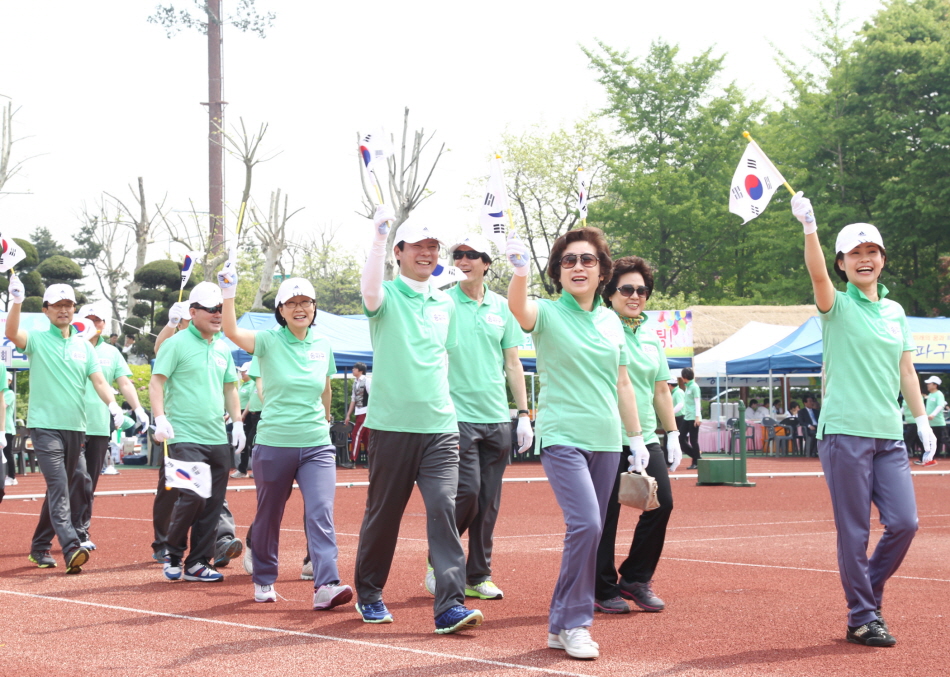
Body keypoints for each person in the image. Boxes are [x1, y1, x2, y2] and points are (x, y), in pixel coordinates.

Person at [791, 192, 936, 647]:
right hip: (844, 432)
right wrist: (809, 227)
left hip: (889, 434)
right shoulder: (836, 306)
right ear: (841, 264)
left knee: (906, 523)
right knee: (853, 531)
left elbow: (906, 369)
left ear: (883, 258)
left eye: (871, 251)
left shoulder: (895, 312)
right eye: (855, 253)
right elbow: (815, 273)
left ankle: (865, 599)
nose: (864, 259)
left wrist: (921, 421)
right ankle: (863, 615)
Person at [506, 227, 647, 660]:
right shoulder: (546, 313)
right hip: (563, 436)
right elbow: (518, 308)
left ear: (603, 270)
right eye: (569, 261)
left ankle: (559, 623)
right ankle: (575, 622)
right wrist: (520, 271)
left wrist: (637, 438)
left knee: (591, 530)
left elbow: (623, 383)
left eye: (587, 260)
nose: (578, 267)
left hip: (606, 440)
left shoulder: (611, 320)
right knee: (586, 524)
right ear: (558, 271)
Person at [352, 206, 483, 635]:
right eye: (419, 246)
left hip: (441, 428)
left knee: (445, 509)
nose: (427, 253)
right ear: (400, 252)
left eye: (433, 247)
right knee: (384, 514)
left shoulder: (444, 302)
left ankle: (450, 604)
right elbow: (369, 291)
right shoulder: (386, 295)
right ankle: (369, 593)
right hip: (392, 427)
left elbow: (443, 359)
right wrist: (376, 238)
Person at [218, 266, 353, 609]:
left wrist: (325, 420)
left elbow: (325, 387)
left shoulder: (323, 344)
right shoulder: (267, 341)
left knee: (320, 512)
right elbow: (231, 330)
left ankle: (326, 584)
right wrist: (229, 292)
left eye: (306, 301)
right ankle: (264, 577)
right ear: (279, 310)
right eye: (291, 303)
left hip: (316, 445)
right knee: (269, 514)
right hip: (275, 444)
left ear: (314, 307)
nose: (300, 308)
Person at [426, 234, 533, 602]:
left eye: (472, 255)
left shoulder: (502, 307)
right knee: (466, 492)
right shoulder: (442, 302)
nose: (464, 259)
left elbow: (512, 362)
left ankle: (478, 574)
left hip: (497, 417)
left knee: (488, 502)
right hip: (455, 416)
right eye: (459, 255)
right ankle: (439, 560)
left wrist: (523, 414)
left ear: (487, 263)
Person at [5, 280, 126, 573]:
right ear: (46, 310)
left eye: (68, 305)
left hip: (76, 428)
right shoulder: (36, 339)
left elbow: (99, 381)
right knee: (59, 485)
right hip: (44, 426)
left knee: (61, 487)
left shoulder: (84, 347)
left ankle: (39, 547)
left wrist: (113, 405)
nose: (64, 310)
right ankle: (71, 546)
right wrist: (17, 301)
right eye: (57, 305)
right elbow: (11, 333)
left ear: (74, 310)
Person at [594, 256, 682, 616]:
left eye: (641, 290)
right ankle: (601, 587)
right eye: (626, 289)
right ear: (610, 294)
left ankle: (634, 577)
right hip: (606, 435)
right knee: (607, 514)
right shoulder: (599, 327)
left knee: (662, 504)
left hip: (646, 435)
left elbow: (661, 389)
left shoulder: (649, 334)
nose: (635, 295)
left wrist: (673, 433)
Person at [32, 301, 149, 552]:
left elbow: (124, 384)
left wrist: (137, 409)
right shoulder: (68, 345)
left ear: (105, 324)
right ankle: (70, 535)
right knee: (75, 479)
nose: (94, 324)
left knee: (87, 483)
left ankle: (73, 532)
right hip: (69, 424)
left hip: (97, 425)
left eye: (99, 320)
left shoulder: (111, 352)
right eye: (90, 319)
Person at [149, 281, 246, 583]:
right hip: (184, 436)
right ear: (193, 312)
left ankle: (198, 562)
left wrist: (238, 422)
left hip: (216, 436)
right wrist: (160, 417)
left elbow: (230, 387)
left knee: (213, 504)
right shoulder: (175, 344)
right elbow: (156, 382)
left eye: (221, 309)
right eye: (211, 310)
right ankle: (172, 553)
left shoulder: (222, 347)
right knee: (191, 496)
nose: (218, 314)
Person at [231, 361, 261, 479]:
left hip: (258, 414)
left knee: (252, 441)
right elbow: (249, 401)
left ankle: (257, 469)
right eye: (242, 371)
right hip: (248, 415)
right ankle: (243, 469)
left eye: (245, 371)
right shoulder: (249, 385)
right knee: (245, 441)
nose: (242, 373)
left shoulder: (256, 383)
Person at [343, 362, 370, 468]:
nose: (352, 370)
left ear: (360, 370)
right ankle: (371, 461)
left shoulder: (367, 381)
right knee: (366, 437)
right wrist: (348, 415)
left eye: (355, 369)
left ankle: (352, 460)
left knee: (355, 434)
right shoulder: (355, 383)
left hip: (366, 411)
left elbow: (373, 397)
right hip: (359, 412)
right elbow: (353, 400)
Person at [919, 376, 945, 466]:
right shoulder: (930, 395)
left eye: (929, 384)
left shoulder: (939, 394)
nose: (927, 385)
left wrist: (933, 415)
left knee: (938, 441)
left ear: (935, 385)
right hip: (930, 424)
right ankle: (927, 459)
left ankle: (932, 459)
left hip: (938, 423)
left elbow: (940, 405)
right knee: (929, 441)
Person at [678, 368, 702, 469]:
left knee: (693, 440)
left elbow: (697, 402)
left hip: (693, 417)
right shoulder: (688, 387)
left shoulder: (694, 387)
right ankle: (697, 457)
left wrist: (697, 417)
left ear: (684, 377)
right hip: (687, 416)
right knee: (681, 438)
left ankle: (696, 462)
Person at [2, 372, 15, 486]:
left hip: (7, 428)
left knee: (7, 453)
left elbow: (3, 406)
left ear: (10, 381)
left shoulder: (9, 393)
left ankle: (11, 477)